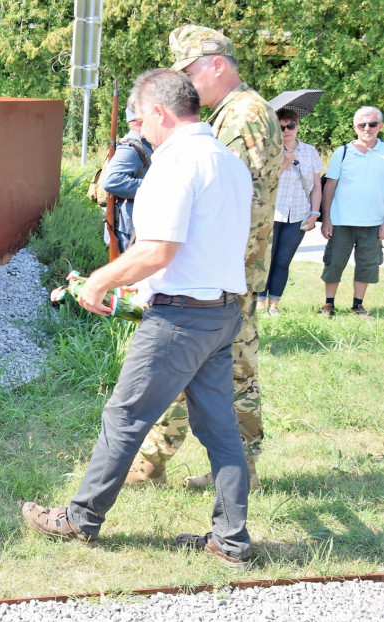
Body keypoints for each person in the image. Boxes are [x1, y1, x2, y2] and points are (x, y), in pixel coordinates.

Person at [22, 68, 254, 568]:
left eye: (140, 119)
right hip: (220, 313)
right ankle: (230, 540)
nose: (138, 129)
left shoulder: (176, 162)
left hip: (180, 319)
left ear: (159, 112)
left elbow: (157, 250)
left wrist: (98, 281)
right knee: (221, 431)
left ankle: (80, 519)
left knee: (124, 417)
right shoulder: (228, 160)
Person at [125, 25, 282, 490]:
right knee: (229, 369)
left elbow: (232, 203)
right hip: (232, 273)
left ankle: (155, 463)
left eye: (190, 71)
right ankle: (231, 468)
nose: (186, 84)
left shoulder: (243, 115)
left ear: (217, 64)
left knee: (198, 364)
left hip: (224, 275)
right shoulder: (237, 111)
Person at [257, 109, 325, 316]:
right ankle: (260, 302)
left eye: (290, 125)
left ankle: (274, 304)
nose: (286, 130)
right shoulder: (268, 149)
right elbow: (263, 182)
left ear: (297, 126)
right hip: (272, 213)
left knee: (283, 260)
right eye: (281, 127)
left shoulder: (310, 151)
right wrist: (284, 162)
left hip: (298, 214)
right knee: (266, 258)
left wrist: (315, 212)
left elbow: (316, 186)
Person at [319, 106, 384, 317]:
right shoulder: (343, 152)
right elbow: (330, 186)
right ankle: (328, 304)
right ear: (355, 127)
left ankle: (358, 306)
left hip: (373, 222)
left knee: (367, 265)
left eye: (372, 124)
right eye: (362, 124)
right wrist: (327, 219)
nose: (367, 128)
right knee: (334, 263)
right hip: (341, 221)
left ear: (380, 126)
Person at [100, 95, 154, 252]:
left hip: (137, 222)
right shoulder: (131, 147)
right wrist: (152, 188)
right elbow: (111, 180)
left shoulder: (144, 143)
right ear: (139, 120)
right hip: (128, 228)